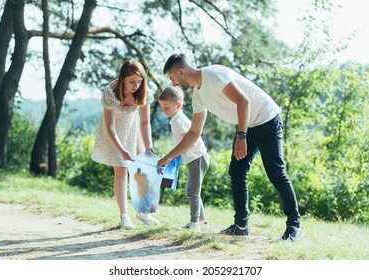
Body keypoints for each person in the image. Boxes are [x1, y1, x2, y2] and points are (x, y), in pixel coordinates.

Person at [157, 53, 303, 241]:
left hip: (266, 119)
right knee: (237, 172)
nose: (174, 83)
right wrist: (168, 157)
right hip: (246, 125)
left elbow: (243, 102)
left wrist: (241, 136)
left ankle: (294, 226)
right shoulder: (198, 97)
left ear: (181, 71)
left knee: (276, 173)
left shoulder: (214, 74)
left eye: (173, 78)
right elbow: (193, 134)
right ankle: (241, 225)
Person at [91, 60, 159, 229]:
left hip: (133, 127)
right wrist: (122, 150)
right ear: (122, 79)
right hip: (114, 132)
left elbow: (145, 122)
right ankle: (124, 216)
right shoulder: (111, 92)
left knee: (142, 167)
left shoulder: (144, 92)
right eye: (132, 81)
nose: (136, 85)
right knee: (121, 171)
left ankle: (144, 211)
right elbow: (110, 127)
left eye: (139, 81)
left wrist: (148, 144)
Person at [158, 86, 209, 231]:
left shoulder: (178, 120)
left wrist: (168, 157)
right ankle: (201, 221)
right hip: (197, 158)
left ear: (178, 105)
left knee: (192, 191)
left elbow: (185, 143)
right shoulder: (176, 118)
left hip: (196, 158)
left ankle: (194, 224)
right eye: (162, 107)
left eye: (166, 107)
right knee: (194, 190)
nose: (164, 110)